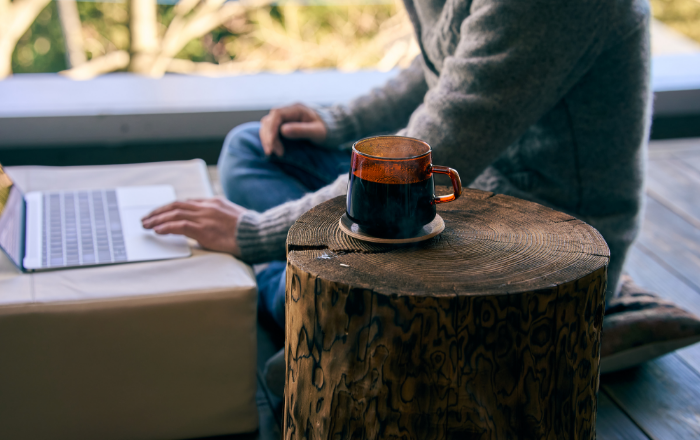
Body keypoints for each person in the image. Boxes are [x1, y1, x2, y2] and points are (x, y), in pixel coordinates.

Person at [142, 0, 651, 332]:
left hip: (538, 240)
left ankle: (305, 301)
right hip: (466, 187)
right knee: (253, 147)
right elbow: (442, 68)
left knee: (325, 326)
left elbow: (435, 149)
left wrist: (252, 234)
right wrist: (336, 122)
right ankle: (304, 290)